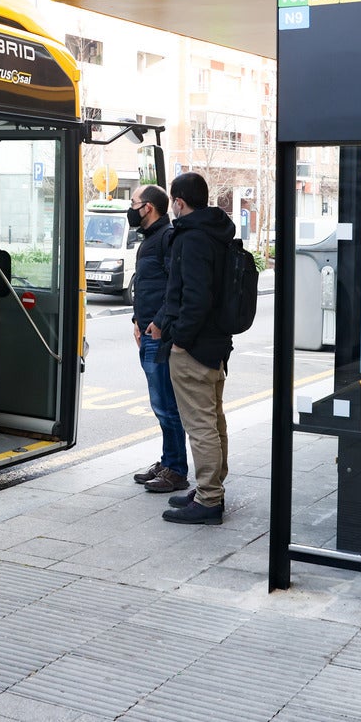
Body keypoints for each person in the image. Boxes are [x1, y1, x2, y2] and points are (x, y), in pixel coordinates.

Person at [149, 171, 235, 525]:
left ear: (179, 202)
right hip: (216, 343)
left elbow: (194, 298)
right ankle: (209, 489)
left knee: (200, 425)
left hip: (195, 347)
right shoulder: (216, 233)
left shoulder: (191, 238)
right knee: (214, 421)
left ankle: (210, 499)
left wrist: (180, 339)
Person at [127, 183, 187, 494]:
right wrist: (137, 321)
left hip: (159, 335)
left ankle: (176, 469)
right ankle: (168, 461)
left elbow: (173, 288)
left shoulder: (166, 238)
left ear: (147, 207)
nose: (131, 208)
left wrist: (158, 324)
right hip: (147, 331)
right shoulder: (151, 239)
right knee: (159, 403)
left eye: (134, 202)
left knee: (166, 404)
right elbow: (147, 286)